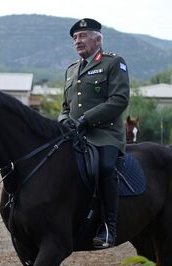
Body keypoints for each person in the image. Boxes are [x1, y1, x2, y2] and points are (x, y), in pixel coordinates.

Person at [58, 18, 130, 248]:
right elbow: (65, 108)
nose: (77, 41)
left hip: (104, 135)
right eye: (75, 38)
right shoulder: (70, 70)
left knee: (104, 168)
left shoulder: (113, 63)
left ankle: (109, 226)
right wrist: (63, 122)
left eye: (82, 36)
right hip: (75, 135)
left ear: (97, 39)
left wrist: (86, 119)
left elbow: (119, 100)